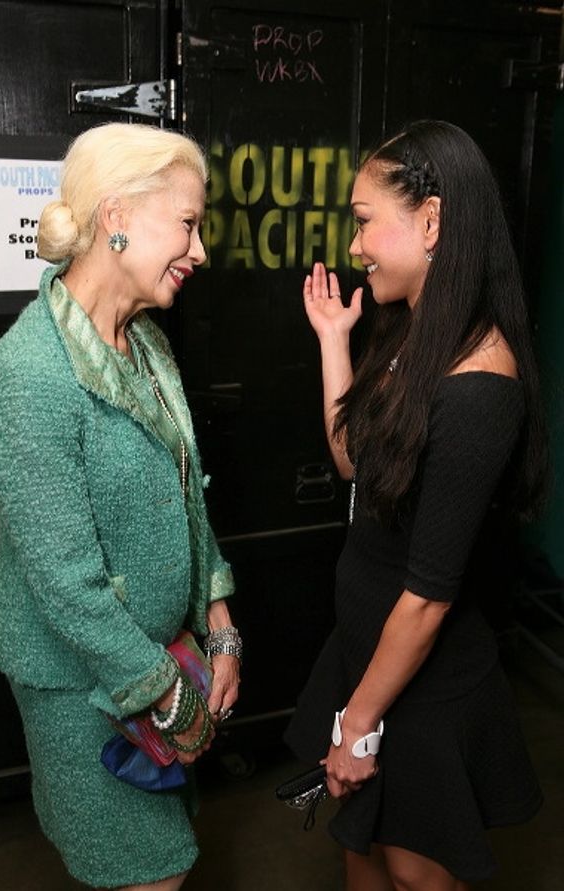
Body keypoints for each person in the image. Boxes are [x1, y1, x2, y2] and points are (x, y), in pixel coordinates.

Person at [0, 122, 242, 891]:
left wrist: (219, 622)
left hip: (162, 660)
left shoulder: (147, 342)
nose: (199, 250)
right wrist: (166, 688)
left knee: (153, 865)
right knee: (148, 872)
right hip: (77, 687)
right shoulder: (30, 371)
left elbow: (186, 495)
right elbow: (65, 583)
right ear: (116, 216)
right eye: (188, 223)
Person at [284, 120, 547, 891]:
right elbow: (353, 462)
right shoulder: (410, 335)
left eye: (365, 220)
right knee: (361, 848)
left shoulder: (480, 385)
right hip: (367, 652)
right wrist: (335, 339)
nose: (355, 244)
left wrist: (359, 725)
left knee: (414, 871)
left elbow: (429, 597)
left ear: (430, 220)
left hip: (422, 682)